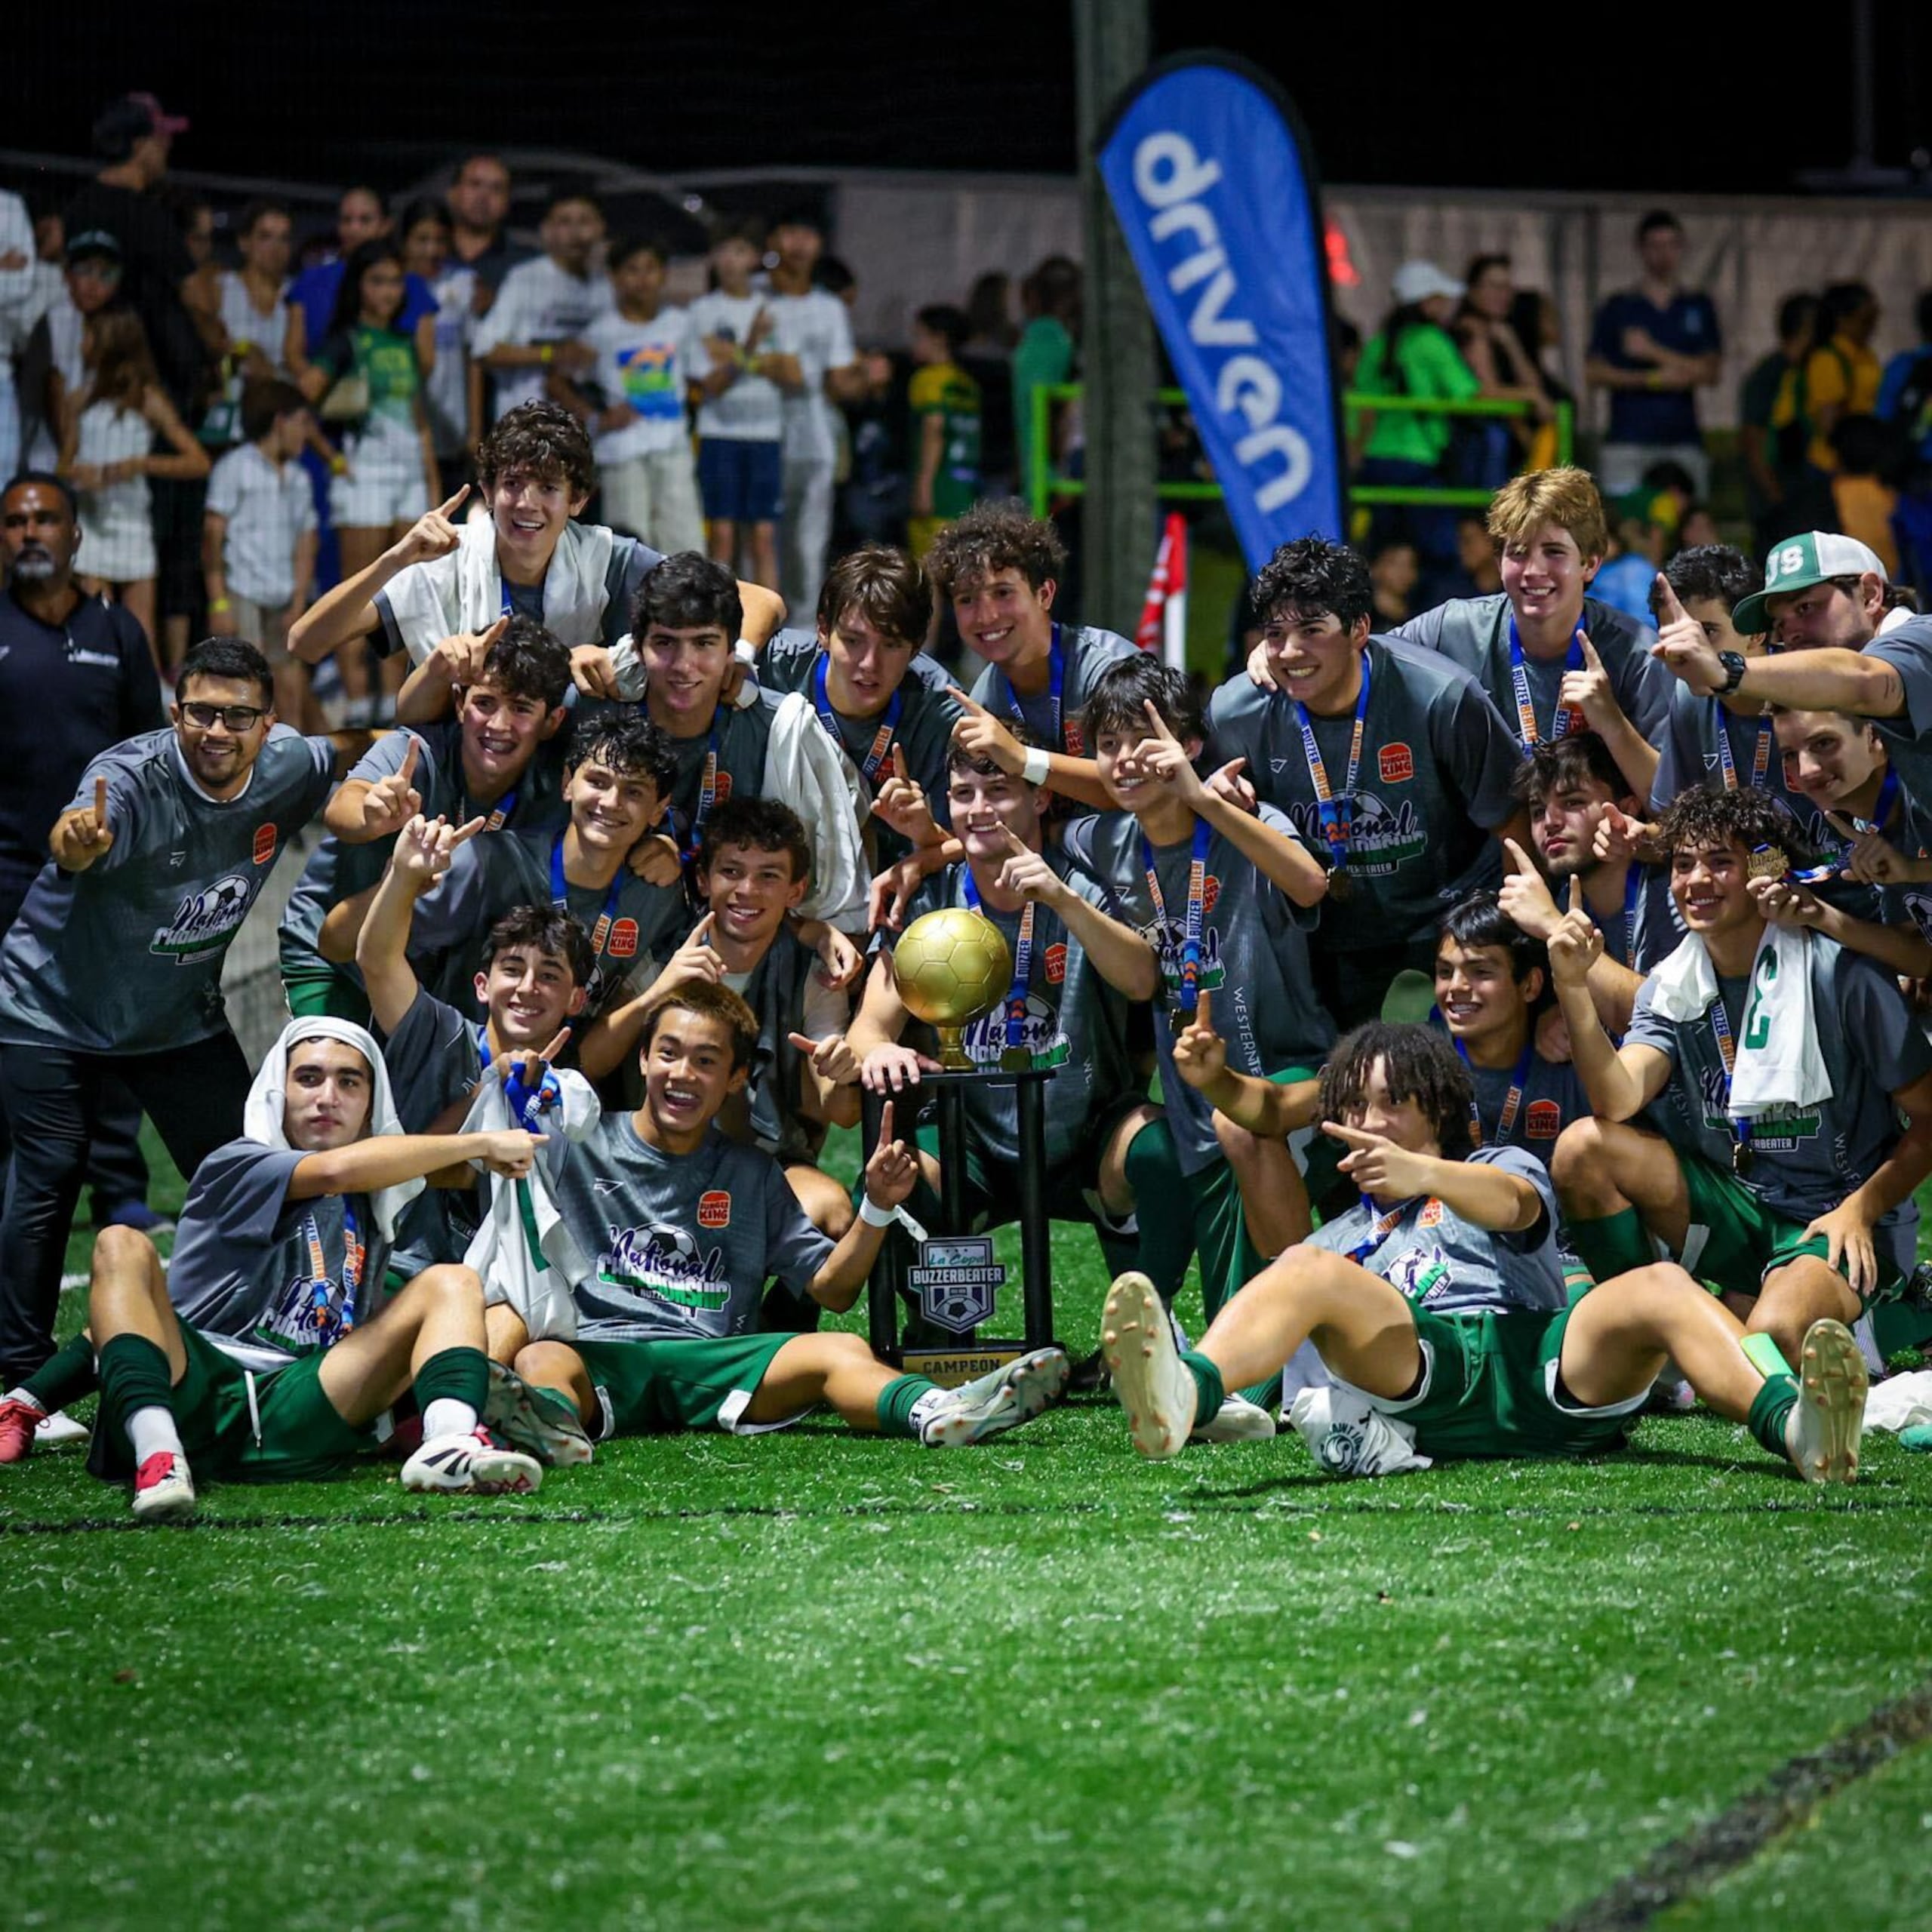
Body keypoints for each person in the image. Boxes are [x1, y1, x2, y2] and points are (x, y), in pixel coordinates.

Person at [1101, 1021, 1869, 1487]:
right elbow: (1297, 1356)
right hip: (1423, 1376)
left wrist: (1425, 1175)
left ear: (1435, 1107)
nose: (1370, 1120)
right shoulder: (1335, 1241)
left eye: (1390, 1103)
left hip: (1542, 1361)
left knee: (1662, 1283)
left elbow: (1516, 1206)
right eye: (1355, 1106)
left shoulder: (1498, 1161)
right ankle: (1183, 1394)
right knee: (1301, 1268)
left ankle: (1795, 1427)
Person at [0, 1018, 556, 1509]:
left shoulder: (379, 1190)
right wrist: (481, 1142)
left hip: (304, 1398)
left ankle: (449, 1443)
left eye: (349, 1082)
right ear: (277, 1093)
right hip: (195, 1388)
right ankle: (160, 1456)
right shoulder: (238, 1165)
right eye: (309, 1078)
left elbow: (423, 1154)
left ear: (370, 1107)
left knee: (451, 1282)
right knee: (121, 1243)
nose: (327, 1096)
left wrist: (491, 1086)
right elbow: (343, 1171)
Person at [0, 638, 343, 1396]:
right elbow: (74, 833)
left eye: (236, 716)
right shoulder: (124, 777)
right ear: (174, 711)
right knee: (49, 1175)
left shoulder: (291, 765)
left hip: (175, 1015)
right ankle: (18, 1374)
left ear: (266, 722)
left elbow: (346, 764)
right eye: (199, 713)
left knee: (250, 1167)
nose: (215, 732)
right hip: (51, 1006)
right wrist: (80, 842)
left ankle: (279, 1322)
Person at [515, 981, 1069, 1450]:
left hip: (715, 1356)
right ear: (642, 1058)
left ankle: (939, 1413)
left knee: (842, 1348)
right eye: (668, 1053)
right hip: (601, 1348)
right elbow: (483, 1166)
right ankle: (552, 1434)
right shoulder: (575, 1143)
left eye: (706, 1062)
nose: (682, 1074)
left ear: (735, 1079)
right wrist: (512, 1086)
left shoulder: (752, 1173)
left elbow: (833, 1291)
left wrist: (876, 1207)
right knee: (541, 1359)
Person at [1547, 786, 1932, 1366]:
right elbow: (1617, 1098)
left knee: (1773, 1335)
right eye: (1682, 865)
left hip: (1836, 1215)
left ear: (1763, 874)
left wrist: (1862, 1208)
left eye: (1720, 862)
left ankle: (1897, 1303)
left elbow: (1929, 1119)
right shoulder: (1671, 986)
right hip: (1739, 1205)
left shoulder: (1841, 976)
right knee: (1582, 1149)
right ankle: (1647, 1349)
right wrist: (1573, 989)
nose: (1696, 881)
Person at [1063, 654, 1333, 1321]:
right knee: (1232, 1325)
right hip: (1195, 1113)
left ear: (1187, 746)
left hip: (1293, 1078)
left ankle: (1308, 1350)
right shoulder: (1101, 842)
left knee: (1282, 1309)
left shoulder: (1244, 818)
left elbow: (1309, 883)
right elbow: (1004, 831)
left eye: (1142, 741)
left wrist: (1204, 797)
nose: (1125, 761)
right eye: (1107, 746)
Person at [848, 734, 1159, 1290]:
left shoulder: (1081, 881)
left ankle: (1150, 1326)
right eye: (963, 794)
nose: (979, 809)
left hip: (1086, 1129)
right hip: (971, 1140)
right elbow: (867, 1030)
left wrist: (1063, 900)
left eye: (999, 790)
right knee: (889, 1181)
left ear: (1039, 798)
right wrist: (882, 1051)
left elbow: (1141, 982)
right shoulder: (932, 899)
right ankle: (942, 1343)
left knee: (1159, 1151)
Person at [1215, 536, 1526, 1029]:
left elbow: (1515, 825)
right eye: (1275, 634)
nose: (1291, 652)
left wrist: (1503, 944)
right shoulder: (1237, 715)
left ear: (1359, 629)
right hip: (1324, 939)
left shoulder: (1439, 697)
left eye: (1312, 630)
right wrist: (1221, 799)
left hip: (1445, 927)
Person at [0, 472, 165, 1331]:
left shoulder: (116, 631)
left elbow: (152, 751)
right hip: (6, 888)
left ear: (75, 536)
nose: (30, 530)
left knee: (108, 1059)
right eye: (15, 520)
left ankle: (125, 1215)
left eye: (45, 518)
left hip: (104, 895)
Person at [288, 401, 781, 678]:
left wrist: (737, 662)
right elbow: (305, 643)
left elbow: (762, 600)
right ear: (487, 490)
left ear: (578, 500)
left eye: (548, 488)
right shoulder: (442, 558)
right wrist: (394, 560)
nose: (526, 503)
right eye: (511, 485)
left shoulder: (606, 557)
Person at [278, 614, 572, 1021]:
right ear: (458, 703)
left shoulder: (555, 787)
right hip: (331, 959)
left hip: (423, 965)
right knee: (341, 1073)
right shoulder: (416, 752)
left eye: (521, 709)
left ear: (552, 722)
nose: (499, 725)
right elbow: (342, 807)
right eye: (484, 703)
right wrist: (371, 812)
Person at [356, 814, 596, 1309]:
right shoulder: (438, 1032)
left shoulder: (567, 1094)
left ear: (575, 999)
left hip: (505, 1291)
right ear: (483, 985)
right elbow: (377, 960)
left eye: (549, 975)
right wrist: (403, 876)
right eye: (512, 970)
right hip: (399, 1270)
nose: (528, 988)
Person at [593, 798, 857, 1241]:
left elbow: (843, 1113)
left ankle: (777, 1315)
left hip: (760, 1160)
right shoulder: (665, 956)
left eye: (769, 876)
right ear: (703, 880)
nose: (747, 891)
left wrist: (841, 1070)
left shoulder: (812, 973)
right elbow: (591, 1062)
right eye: (731, 871)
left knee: (830, 1211)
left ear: (796, 891)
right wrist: (658, 993)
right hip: (652, 1155)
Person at [329, 711, 683, 1035]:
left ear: (659, 810)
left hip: (562, 1089)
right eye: (598, 781)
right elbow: (336, 942)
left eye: (633, 791)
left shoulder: (657, 892)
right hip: (458, 1073)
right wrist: (400, 883)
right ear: (567, 784)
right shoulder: (487, 863)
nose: (611, 802)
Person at [1383, 466, 1669, 792]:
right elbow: (1364, 668)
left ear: (1590, 563)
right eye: (1517, 553)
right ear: (1499, 563)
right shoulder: (1452, 630)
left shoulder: (1637, 655)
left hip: (1594, 841)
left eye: (1554, 552)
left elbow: (1670, 805)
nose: (1533, 570)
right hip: (1482, 840)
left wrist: (1614, 725)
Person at [1648, 530, 1932, 814]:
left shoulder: (1921, 638)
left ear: (1870, 595)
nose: (1792, 634)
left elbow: (1865, 679)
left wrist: (1726, 671)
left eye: (1806, 608)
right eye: (1780, 624)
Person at [753, 541, 962, 870]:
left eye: (891, 645)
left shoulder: (942, 713)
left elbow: (977, 847)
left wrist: (926, 833)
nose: (869, 663)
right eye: (852, 641)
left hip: (887, 883)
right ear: (823, 630)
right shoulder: (774, 666)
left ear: (916, 647)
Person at [300, 235, 441, 718]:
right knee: (359, 587)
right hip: (363, 475)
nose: (387, 290)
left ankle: (394, 701)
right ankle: (357, 703)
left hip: (407, 477)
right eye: (377, 280)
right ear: (360, 286)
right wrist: (332, 457)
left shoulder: (405, 344)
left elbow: (419, 418)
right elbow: (300, 401)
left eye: (395, 281)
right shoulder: (345, 340)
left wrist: (433, 488)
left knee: (408, 590)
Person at [928, 500, 1137, 817]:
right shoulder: (986, 700)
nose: (986, 616)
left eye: (1003, 593)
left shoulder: (1111, 670)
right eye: (967, 600)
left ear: (1045, 594)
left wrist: (1024, 759)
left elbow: (1140, 789)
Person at [58, 306, 208, 654]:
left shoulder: (148, 400)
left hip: (133, 524)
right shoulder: (79, 399)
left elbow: (198, 462)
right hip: (92, 524)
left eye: (89, 336)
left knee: (141, 635)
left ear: (108, 343)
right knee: (98, 625)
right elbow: (62, 468)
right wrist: (82, 475)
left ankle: (148, 703)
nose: (83, 343)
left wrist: (137, 465)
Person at [560, 235, 704, 555]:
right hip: (622, 454)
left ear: (664, 275)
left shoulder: (680, 324)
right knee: (630, 551)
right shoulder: (601, 332)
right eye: (631, 270)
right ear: (614, 277)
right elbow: (557, 380)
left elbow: (700, 378)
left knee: (686, 549)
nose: (641, 278)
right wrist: (595, 417)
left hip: (673, 451)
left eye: (650, 269)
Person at [1502, 731, 1653, 1025]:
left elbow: (1659, 1020)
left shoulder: (1673, 894)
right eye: (1537, 811)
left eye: (1572, 803)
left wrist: (1552, 924)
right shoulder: (1557, 901)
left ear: (1626, 809)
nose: (1550, 822)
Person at [1354, 260, 1481, 590]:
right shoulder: (1431, 341)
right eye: (1440, 299)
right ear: (1427, 303)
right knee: (1438, 554)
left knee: (1383, 551)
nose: (1446, 307)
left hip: (1376, 464)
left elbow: (1363, 411)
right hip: (1416, 463)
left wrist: (1356, 455)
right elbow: (1468, 394)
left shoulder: (1378, 344)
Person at [1433, 892, 1589, 1161]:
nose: (1456, 987)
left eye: (1480, 972)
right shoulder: (1420, 1069)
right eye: (1445, 972)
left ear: (1530, 985)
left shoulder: (1571, 1063)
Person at [203, 379, 319, 725]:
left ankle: (295, 769)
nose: (306, 434)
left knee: (290, 689)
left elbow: (305, 542)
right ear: (280, 422)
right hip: (243, 594)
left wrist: (299, 602)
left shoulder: (299, 478)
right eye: (301, 423)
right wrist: (218, 602)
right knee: (245, 690)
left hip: (284, 598)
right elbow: (212, 537)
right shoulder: (234, 468)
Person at [1584, 211, 1721, 499]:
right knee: (1625, 522)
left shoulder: (1696, 305)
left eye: (1671, 245)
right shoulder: (1620, 306)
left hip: (1683, 438)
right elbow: (1594, 372)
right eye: (1655, 246)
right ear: (1641, 250)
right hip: (1628, 437)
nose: (1664, 254)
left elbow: (1710, 372)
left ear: (1682, 248)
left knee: (1687, 526)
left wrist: (1654, 352)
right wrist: (1652, 379)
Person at [765, 210, 862, 614]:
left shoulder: (830, 309)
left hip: (815, 435)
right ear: (772, 241)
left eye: (807, 233)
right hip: (759, 431)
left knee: (809, 538)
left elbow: (840, 380)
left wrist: (863, 377)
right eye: (790, 231)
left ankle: (803, 628)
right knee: (761, 536)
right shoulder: (754, 299)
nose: (799, 244)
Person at [688, 218, 788, 593]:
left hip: (765, 434)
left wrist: (733, 357)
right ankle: (721, 620)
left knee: (763, 537)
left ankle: (771, 632)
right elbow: (710, 382)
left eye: (741, 251)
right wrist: (750, 348)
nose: (732, 260)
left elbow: (792, 372)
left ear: (756, 258)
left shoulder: (773, 308)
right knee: (723, 535)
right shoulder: (701, 312)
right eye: (725, 251)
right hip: (719, 433)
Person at [474, 190, 611, 426]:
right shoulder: (526, 279)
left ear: (600, 228)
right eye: (565, 222)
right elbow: (485, 350)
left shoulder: (604, 287)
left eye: (584, 221)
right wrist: (551, 354)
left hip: (582, 433)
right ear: (546, 230)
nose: (576, 232)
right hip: (526, 431)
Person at [285, 187, 438, 388]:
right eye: (346, 220)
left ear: (385, 226)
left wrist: (387, 394)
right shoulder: (311, 280)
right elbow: (293, 354)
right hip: (325, 407)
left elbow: (426, 361)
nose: (354, 229)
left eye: (365, 220)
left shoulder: (413, 284)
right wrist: (333, 394)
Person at [196, 198, 294, 454]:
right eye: (265, 237)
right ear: (244, 242)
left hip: (280, 428)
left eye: (283, 239)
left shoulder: (297, 297)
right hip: (228, 427)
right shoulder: (219, 289)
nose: (275, 248)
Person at [398, 198, 481, 504]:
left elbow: (474, 358)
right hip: (405, 429)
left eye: (440, 240)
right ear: (405, 241)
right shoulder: (390, 287)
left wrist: (474, 430)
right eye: (422, 239)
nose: (432, 249)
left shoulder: (463, 284)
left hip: (452, 431)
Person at [1740, 293, 1830, 555]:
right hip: (1777, 505)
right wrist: (1775, 498)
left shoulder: (1807, 371)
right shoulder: (1769, 375)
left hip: (1803, 497)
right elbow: (1752, 441)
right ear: (1807, 328)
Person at [1454, 254, 1552, 480]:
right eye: (1494, 286)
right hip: (1480, 441)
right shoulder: (1470, 332)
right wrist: (1530, 397)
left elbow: (1535, 384)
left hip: (1507, 440)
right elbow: (1488, 392)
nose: (1503, 295)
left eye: (1507, 287)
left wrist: (1511, 345)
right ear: (1473, 290)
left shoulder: (1505, 332)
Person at [906, 303, 982, 561]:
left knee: (928, 577)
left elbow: (934, 429)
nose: (914, 344)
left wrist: (924, 484)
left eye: (919, 336)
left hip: (936, 491)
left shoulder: (927, 380)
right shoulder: (968, 384)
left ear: (939, 339)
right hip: (964, 491)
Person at [1011, 256, 1079, 508]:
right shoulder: (1052, 338)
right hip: (1047, 470)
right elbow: (1048, 409)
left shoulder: (1031, 337)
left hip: (1036, 466)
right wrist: (1057, 471)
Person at [1802, 283, 1883, 477]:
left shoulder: (1864, 354)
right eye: (1865, 320)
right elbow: (1829, 422)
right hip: (1834, 465)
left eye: (1875, 318)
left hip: (1862, 459)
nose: (1872, 327)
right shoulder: (1829, 359)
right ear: (1842, 320)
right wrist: (1843, 467)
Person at [444, 152, 523, 303]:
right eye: (475, 184)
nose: (483, 196)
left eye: (496, 189)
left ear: (507, 203)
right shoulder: (426, 254)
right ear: (452, 194)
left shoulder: (524, 266)